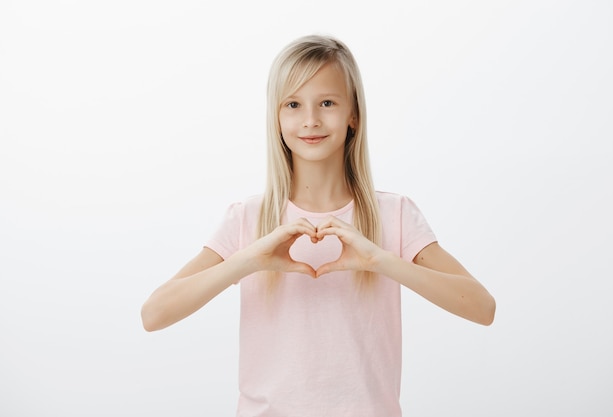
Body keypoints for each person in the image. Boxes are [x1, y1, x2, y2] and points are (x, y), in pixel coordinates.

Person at [141, 34, 496, 417]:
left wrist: (379, 260)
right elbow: (154, 314)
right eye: (293, 104)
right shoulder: (248, 217)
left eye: (327, 102)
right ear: (276, 117)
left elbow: (482, 307)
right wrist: (248, 261)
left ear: (353, 114)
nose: (310, 119)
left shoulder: (394, 214)